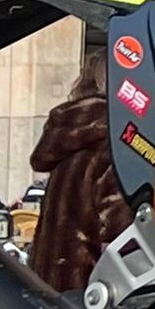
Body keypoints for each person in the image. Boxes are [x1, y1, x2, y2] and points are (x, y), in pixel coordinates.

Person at [26, 55, 131, 292]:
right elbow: (123, 242)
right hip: (89, 299)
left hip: (50, 290)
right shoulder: (115, 144)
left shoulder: (69, 145)